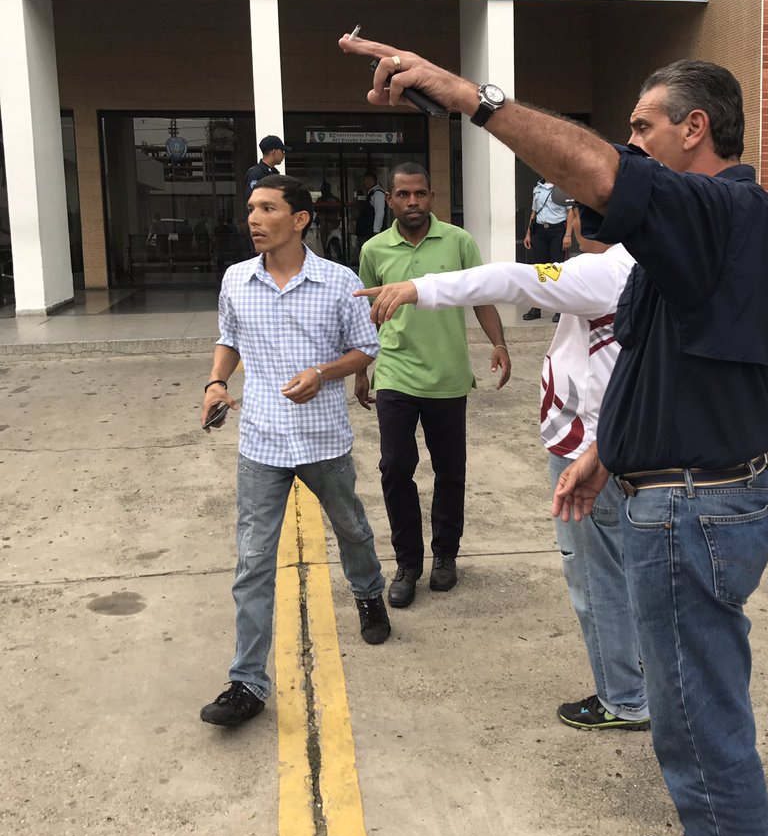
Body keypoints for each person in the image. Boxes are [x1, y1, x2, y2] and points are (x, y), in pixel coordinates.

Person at [338, 33, 768, 836]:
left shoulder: (718, 211)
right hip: (694, 488)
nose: (630, 146)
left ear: (695, 130)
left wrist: (471, 97)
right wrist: (607, 451)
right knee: (704, 718)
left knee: (701, 738)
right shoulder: (694, 246)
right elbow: (653, 357)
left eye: (644, 127)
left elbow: (594, 173)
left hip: (692, 511)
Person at [357, 215, 651, 732]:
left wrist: (417, 288)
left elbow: (511, 279)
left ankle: (625, 698)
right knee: (627, 569)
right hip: (629, 441)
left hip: (589, 451)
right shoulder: (655, 264)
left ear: (581, 222)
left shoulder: (602, 271)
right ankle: (641, 673)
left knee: (595, 578)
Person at [199, 174, 390, 729]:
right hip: (260, 438)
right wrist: (216, 383)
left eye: (266, 208)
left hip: (322, 438)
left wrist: (323, 373)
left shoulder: (339, 281)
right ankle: (246, 683)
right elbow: (228, 339)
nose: (253, 219)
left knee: (351, 528)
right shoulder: (237, 279)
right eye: (250, 209)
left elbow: (366, 347)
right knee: (254, 561)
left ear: (300, 218)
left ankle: (369, 591)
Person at [355, 162, 511, 608]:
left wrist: (499, 342)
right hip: (396, 376)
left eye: (420, 194)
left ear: (432, 197)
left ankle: (446, 555)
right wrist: (360, 370)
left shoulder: (459, 242)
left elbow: (480, 296)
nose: (413, 203)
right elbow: (363, 316)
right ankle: (407, 563)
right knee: (394, 469)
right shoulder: (374, 250)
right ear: (390, 200)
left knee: (450, 470)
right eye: (403, 195)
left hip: (447, 378)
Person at [522, 179, 573, 322]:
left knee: (556, 270)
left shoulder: (563, 188)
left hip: (557, 231)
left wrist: (568, 234)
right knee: (539, 270)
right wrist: (528, 234)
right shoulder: (538, 187)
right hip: (539, 231)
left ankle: (559, 309)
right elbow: (534, 212)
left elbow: (570, 213)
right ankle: (536, 307)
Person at [354, 168, 387, 245]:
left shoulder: (378, 194)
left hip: (374, 232)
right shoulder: (371, 193)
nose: (363, 183)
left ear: (370, 180)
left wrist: (376, 231)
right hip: (369, 231)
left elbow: (379, 212)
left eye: (364, 180)